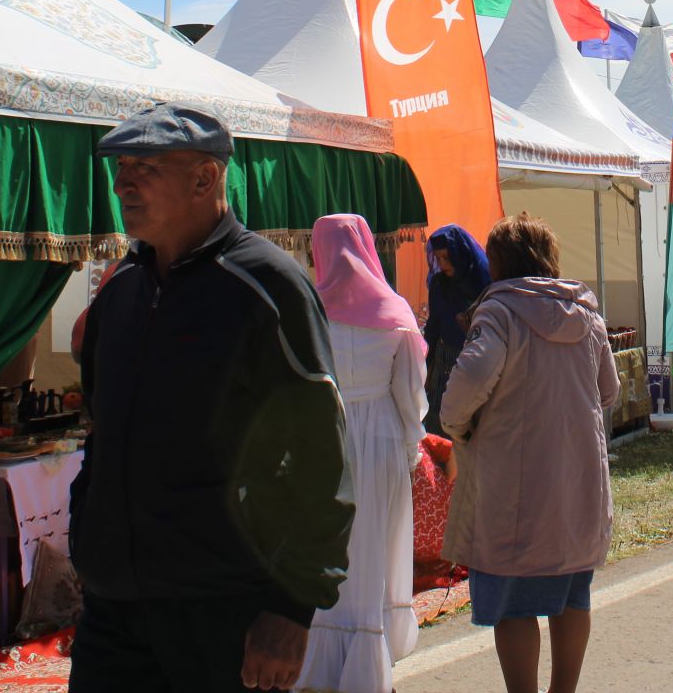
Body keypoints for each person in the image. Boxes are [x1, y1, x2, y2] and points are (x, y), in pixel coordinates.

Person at [70, 104, 352, 693]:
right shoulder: (120, 290)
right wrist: (89, 540)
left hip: (225, 607)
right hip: (114, 612)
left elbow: (321, 455)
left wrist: (292, 604)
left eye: (143, 168)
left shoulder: (268, 286)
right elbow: (102, 430)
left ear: (205, 178)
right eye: (120, 167)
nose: (122, 184)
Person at [441, 214, 619, 693]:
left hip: (514, 487)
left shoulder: (498, 313)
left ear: (497, 261)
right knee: (571, 595)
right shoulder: (587, 315)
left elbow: (472, 379)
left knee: (516, 602)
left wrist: (457, 425)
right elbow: (609, 390)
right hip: (577, 477)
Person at [298, 214, 429, 693]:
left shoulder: (309, 310)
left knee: (330, 546)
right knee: (375, 545)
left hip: (327, 439)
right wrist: (413, 447)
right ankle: (370, 653)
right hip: (382, 440)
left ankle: (321, 656)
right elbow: (411, 394)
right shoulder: (395, 312)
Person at [424, 223, 491, 434]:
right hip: (445, 363)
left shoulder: (483, 283)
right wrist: (426, 363)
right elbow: (434, 325)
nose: (442, 264)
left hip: (477, 362)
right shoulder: (439, 284)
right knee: (441, 425)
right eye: (438, 258)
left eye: (446, 257)